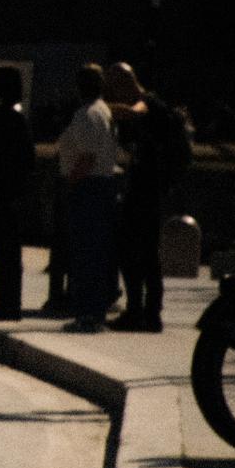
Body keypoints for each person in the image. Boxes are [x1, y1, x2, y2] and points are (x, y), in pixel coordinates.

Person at [113, 63, 186, 332]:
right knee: (140, 253)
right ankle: (145, 311)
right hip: (144, 189)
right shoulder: (151, 107)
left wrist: (104, 107)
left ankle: (144, 312)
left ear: (127, 82)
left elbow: (135, 113)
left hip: (146, 192)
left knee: (138, 252)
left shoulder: (148, 103)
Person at [56, 63, 123, 330]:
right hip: (102, 185)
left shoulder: (87, 114)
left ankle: (88, 314)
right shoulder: (104, 110)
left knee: (85, 253)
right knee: (96, 252)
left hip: (88, 185)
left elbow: (86, 157)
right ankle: (94, 311)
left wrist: (70, 183)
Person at [0, 64, 36, 319]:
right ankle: (5, 304)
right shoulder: (12, 113)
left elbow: (1, 153)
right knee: (4, 252)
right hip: (7, 191)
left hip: (5, 193)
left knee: (4, 253)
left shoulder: (9, 115)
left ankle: (6, 306)